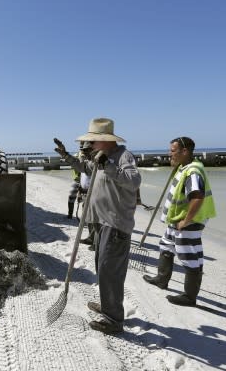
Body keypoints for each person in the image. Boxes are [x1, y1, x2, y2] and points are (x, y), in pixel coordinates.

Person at [54, 117, 141, 334]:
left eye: (94, 141)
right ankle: (108, 305)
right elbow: (84, 167)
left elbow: (133, 181)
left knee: (110, 270)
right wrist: (66, 156)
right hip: (99, 222)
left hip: (115, 223)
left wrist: (108, 165)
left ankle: (113, 320)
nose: (90, 145)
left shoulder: (122, 156)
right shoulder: (102, 157)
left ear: (106, 140)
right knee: (102, 268)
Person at [143, 137, 216, 306]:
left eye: (173, 151)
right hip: (175, 220)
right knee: (166, 246)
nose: (169, 153)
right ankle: (162, 279)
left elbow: (197, 197)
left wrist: (185, 221)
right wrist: (174, 163)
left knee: (190, 257)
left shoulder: (193, 172)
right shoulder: (185, 167)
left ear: (185, 151)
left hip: (188, 221)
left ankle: (189, 297)